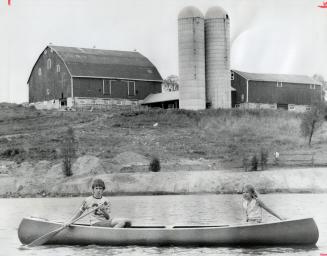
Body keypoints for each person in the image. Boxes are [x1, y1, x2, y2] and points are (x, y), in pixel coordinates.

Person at [65, 179, 131, 228]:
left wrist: (104, 211)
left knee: (128, 221)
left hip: (105, 222)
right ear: (93, 190)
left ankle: (116, 233)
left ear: (103, 190)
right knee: (121, 222)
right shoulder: (87, 200)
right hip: (95, 223)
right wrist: (70, 222)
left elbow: (108, 217)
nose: (98, 190)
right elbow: (79, 213)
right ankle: (112, 235)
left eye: (100, 188)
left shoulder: (106, 201)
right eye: (96, 188)